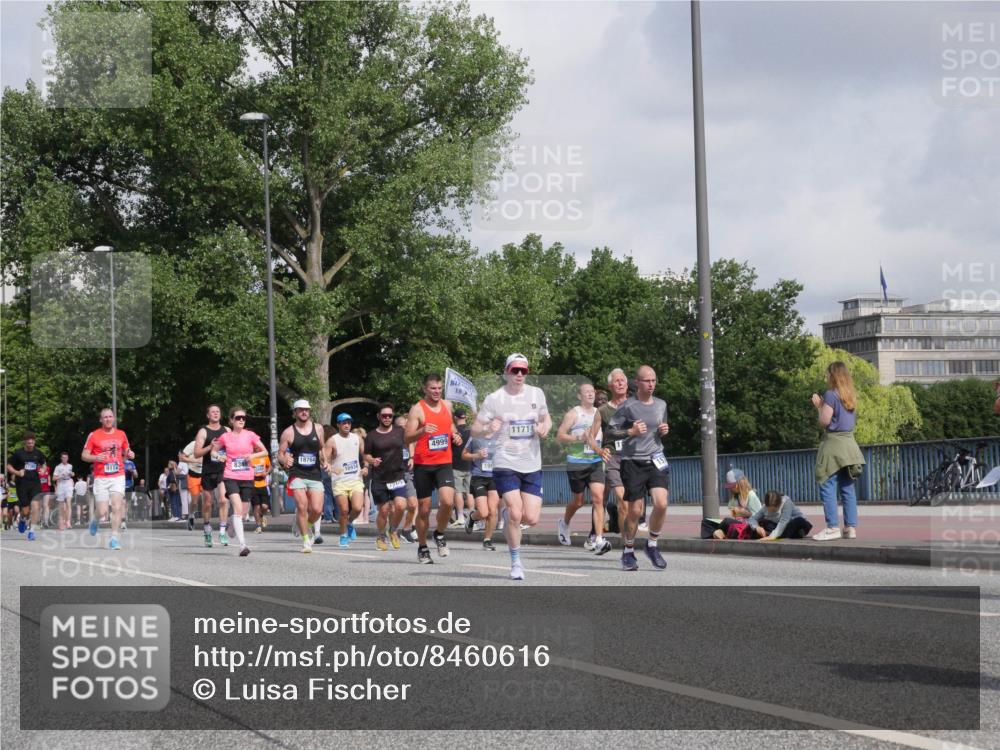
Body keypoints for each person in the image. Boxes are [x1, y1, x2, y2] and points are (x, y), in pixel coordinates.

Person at [473, 353, 551, 580]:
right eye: (515, 370)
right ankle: (516, 562)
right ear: (506, 371)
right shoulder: (494, 398)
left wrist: (545, 427)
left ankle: (506, 513)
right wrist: (489, 424)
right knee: (517, 514)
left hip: (532, 463)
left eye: (523, 371)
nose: (519, 374)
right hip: (505, 462)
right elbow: (475, 430)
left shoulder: (537, 394)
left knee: (532, 518)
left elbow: (547, 418)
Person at [606, 365, 670, 571]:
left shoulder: (661, 405)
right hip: (632, 460)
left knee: (661, 503)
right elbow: (611, 431)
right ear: (637, 383)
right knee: (635, 510)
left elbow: (660, 428)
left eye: (653, 380)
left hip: (656, 458)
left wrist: (664, 430)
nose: (651, 384)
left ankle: (652, 545)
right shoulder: (628, 406)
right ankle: (628, 551)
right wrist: (630, 431)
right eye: (646, 381)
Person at [404, 374, 463, 564]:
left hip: (444, 462)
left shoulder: (447, 405)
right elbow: (407, 438)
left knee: (447, 502)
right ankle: (422, 547)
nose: (437, 392)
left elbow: (450, 425)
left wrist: (455, 435)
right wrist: (422, 431)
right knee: (424, 510)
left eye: (439, 388)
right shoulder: (417, 410)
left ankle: (439, 533)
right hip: (423, 465)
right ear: (425, 389)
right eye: (433, 388)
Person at [812, 361, 865, 541]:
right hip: (850, 445)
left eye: (827, 374)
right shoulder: (850, 395)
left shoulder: (830, 395)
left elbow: (825, 422)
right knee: (847, 488)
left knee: (827, 483)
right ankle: (850, 528)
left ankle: (832, 527)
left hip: (833, 445)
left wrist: (819, 406)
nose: (826, 377)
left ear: (833, 376)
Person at [556, 382, 611, 555]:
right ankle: (564, 523)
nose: (590, 394)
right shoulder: (574, 413)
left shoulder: (600, 412)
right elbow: (560, 436)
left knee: (598, 499)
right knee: (578, 502)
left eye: (592, 391)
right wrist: (578, 437)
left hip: (594, 462)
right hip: (577, 463)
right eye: (586, 392)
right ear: (579, 396)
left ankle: (599, 539)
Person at [214, 406, 268, 556]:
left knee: (243, 514)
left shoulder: (250, 435)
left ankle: (231, 525)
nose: (241, 420)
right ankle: (242, 545)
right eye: (238, 418)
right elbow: (213, 451)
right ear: (231, 420)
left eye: (244, 418)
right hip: (230, 476)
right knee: (237, 507)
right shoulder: (226, 437)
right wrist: (220, 457)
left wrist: (252, 457)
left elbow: (265, 451)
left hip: (247, 478)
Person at [81, 408, 134, 550]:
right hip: (101, 477)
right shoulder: (94, 435)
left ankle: (114, 538)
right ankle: (95, 520)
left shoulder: (121, 434)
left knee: (117, 506)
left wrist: (130, 453)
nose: (108, 419)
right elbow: (84, 455)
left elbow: (126, 450)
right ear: (101, 420)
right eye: (105, 417)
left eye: (110, 416)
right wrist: (95, 457)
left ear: (114, 419)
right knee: (103, 510)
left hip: (118, 475)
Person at [280, 399, 326, 553]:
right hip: (296, 473)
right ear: (295, 413)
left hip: (314, 473)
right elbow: (280, 454)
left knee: (317, 509)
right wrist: (284, 459)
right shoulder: (288, 432)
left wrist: (325, 460)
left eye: (306, 410)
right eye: (300, 410)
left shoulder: (318, 429)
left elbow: (321, 448)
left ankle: (304, 524)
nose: (304, 412)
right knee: (302, 506)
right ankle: (306, 540)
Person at [365, 403, 407, 551]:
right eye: (384, 416)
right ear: (379, 417)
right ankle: (381, 535)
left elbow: (411, 442)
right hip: (379, 477)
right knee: (384, 510)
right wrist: (372, 461)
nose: (387, 418)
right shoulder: (371, 436)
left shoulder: (400, 431)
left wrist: (413, 456)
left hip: (397, 475)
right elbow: (366, 454)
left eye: (390, 415)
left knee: (401, 505)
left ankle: (393, 530)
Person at [192, 405, 231, 547]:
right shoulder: (203, 431)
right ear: (208, 415)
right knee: (208, 503)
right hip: (208, 471)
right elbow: (196, 453)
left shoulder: (226, 430)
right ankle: (207, 529)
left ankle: (222, 531)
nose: (215, 413)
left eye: (218, 412)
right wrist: (210, 447)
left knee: (223, 500)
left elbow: (232, 448)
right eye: (212, 412)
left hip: (222, 470)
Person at [327, 413, 365, 547]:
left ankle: (349, 523)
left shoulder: (357, 438)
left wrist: (366, 467)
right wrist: (331, 468)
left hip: (355, 479)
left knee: (357, 507)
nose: (347, 425)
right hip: (339, 481)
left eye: (349, 422)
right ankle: (343, 536)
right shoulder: (332, 440)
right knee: (343, 510)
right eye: (343, 423)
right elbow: (324, 460)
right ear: (338, 425)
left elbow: (365, 455)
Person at [462, 430, 500, 550]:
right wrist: (476, 456)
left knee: (493, 511)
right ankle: (472, 517)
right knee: (484, 512)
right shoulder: (475, 438)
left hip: (495, 477)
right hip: (479, 477)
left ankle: (487, 540)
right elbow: (464, 455)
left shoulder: (499, 437)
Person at [6, 431, 47, 541]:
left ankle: (32, 531)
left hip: (35, 483)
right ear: (25, 442)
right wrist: (17, 473)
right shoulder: (18, 454)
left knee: (36, 507)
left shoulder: (38, 453)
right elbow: (8, 466)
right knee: (25, 511)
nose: (30, 445)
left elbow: (43, 463)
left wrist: (43, 469)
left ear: (34, 442)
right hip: (22, 485)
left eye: (32, 443)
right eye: (28, 443)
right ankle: (23, 519)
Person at [702, 468, 763, 540]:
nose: (730, 489)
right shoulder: (735, 496)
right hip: (737, 524)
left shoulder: (751, 495)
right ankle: (719, 532)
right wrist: (735, 513)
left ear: (738, 484)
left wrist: (746, 513)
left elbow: (759, 517)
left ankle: (718, 532)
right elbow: (734, 514)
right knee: (706, 521)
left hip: (747, 527)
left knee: (727, 521)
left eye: (732, 486)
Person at [748, 491, 813, 540]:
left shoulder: (786, 502)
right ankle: (781, 535)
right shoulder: (764, 508)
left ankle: (793, 534)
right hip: (780, 528)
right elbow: (753, 519)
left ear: (779, 504)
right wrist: (756, 527)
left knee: (798, 521)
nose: (771, 512)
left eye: (774, 510)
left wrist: (772, 536)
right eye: (770, 509)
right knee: (766, 523)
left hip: (793, 524)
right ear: (766, 505)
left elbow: (783, 522)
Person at [395, 414, 418, 543]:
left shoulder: (408, 440)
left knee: (413, 504)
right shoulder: (390, 439)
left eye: (405, 426)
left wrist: (411, 458)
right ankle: (391, 530)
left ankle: (406, 530)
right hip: (393, 476)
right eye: (401, 427)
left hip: (406, 475)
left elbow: (411, 447)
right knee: (395, 507)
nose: (404, 429)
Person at [450, 408, 474, 528]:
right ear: (465, 417)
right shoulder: (471, 431)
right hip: (469, 465)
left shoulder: (453, 431)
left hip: (456, 465)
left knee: (458, 492)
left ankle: (460, 517)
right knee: (469, 493)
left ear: (455, 417)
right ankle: (471, 516)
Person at [179, 441, 204, 530]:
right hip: (193, 475)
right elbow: (182, 458)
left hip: (206, 474)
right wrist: (195, 460)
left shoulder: (211, 445)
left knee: (207, 499)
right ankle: (191, 515)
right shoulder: (193, 444)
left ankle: (206, 523)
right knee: (194, 501)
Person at [52, 452, 76, 530]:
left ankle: (68, 522)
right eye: (63, 457)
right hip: (61, 484)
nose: (64, 459)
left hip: (68, 483)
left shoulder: (70, 466)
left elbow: (73, 474)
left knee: (69, 502)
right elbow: (54, 478)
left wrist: (72, 474)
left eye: (66, 457)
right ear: (61, 458)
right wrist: (60, 476)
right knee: (61, 506)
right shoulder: (58, 467)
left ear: (68, 458)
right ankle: (62, 522)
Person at [250, 452, 272, 533]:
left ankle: (261, 516)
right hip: (253, 484)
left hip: (263, 484)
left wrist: (266, 473)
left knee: (265, 506)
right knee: (257, 506)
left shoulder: (264, 456)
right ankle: (258, 526)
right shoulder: (250, 456)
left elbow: (270, 466)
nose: (256, 447)